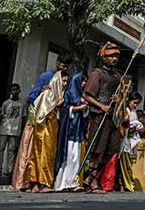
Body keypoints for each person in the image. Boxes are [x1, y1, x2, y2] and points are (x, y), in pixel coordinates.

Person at [13, 54, 72, 190]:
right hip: (39, 118)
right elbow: (33, 96)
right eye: (63, 65)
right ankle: (30, 182)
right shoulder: (46, 77)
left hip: (53, 120)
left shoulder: (64, 79)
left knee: (47, 151)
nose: (65, 68)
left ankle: (41, 182)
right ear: (57, 63)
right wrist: (43, 97)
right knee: (33, 151)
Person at [82, 42, 122, 193]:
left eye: (116, 56)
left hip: (113, 117)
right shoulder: (96, 73)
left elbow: (122, 94)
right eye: (111, 56)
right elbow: (86, 95)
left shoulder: (118, 76)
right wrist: (101, 106)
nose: (114, 59)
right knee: (97, 150)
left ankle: (91, 177)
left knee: (111, 150)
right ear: (103, 57)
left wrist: (119, 98)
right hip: (100, 116)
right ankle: (92, 182)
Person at [24, 70, 66, 192]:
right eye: (63, 81)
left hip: (49, 127)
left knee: (40, 154)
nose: (65, 84)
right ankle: (43, 183)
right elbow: (42, 111)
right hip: (45, 127)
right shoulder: (49, 94)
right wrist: (57, 106)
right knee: (44, 155)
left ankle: (36, 183)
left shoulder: (57, 94)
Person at [53, 73, 89, 191]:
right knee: (68, 156)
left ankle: (73, 182)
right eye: (82, 81)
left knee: (75, 157)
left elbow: (85, 112)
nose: (84, 83)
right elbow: (64, 109)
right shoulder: (68, 93)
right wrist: (79, 108)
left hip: (77, 130)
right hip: (69, 130)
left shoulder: (81, 95)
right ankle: (63, 183)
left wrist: (85, 107)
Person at [118, 92, 144, 192]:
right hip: (124, 141)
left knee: (128, 164)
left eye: (137, 103)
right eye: (134, 102)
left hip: (129, 141)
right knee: (125, 165)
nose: (135, 105)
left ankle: (125, 184)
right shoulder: (125, 111)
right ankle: (127, 184)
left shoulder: (133, 112)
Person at [0, 84, 24, 180]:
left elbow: (23, 116)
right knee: (1, 149)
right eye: (13, 90)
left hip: (15, 129)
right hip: (4, 129)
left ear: (19, 91)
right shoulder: (6, 103)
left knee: (11, 150)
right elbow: (2, 115)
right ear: (10, 92)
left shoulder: (22, 103)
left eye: (16, 89)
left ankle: (10, 170)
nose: (15, 91)